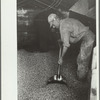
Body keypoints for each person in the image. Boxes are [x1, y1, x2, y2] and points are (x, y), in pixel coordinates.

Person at [47, 13, 95, 81]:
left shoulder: (64, 27)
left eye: (53, 24)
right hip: (84, 36)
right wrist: (62, 40)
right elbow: (69, 35)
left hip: (88, 37)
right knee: (80, 59)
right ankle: (84, 76)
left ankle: (81, 81)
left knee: (82, 59)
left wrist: (61, 58)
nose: (53, 27)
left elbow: (66, 45)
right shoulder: (64, 22)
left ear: (56, 20)